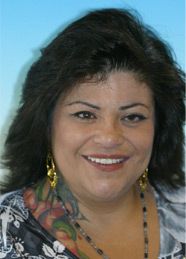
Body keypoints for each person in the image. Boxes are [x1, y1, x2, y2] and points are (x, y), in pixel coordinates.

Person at [0, 8, 185, 259]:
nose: (109, 137)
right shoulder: (6, 234)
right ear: (45, 123)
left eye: (132, 117)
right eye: (85, 115)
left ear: (159, 128)